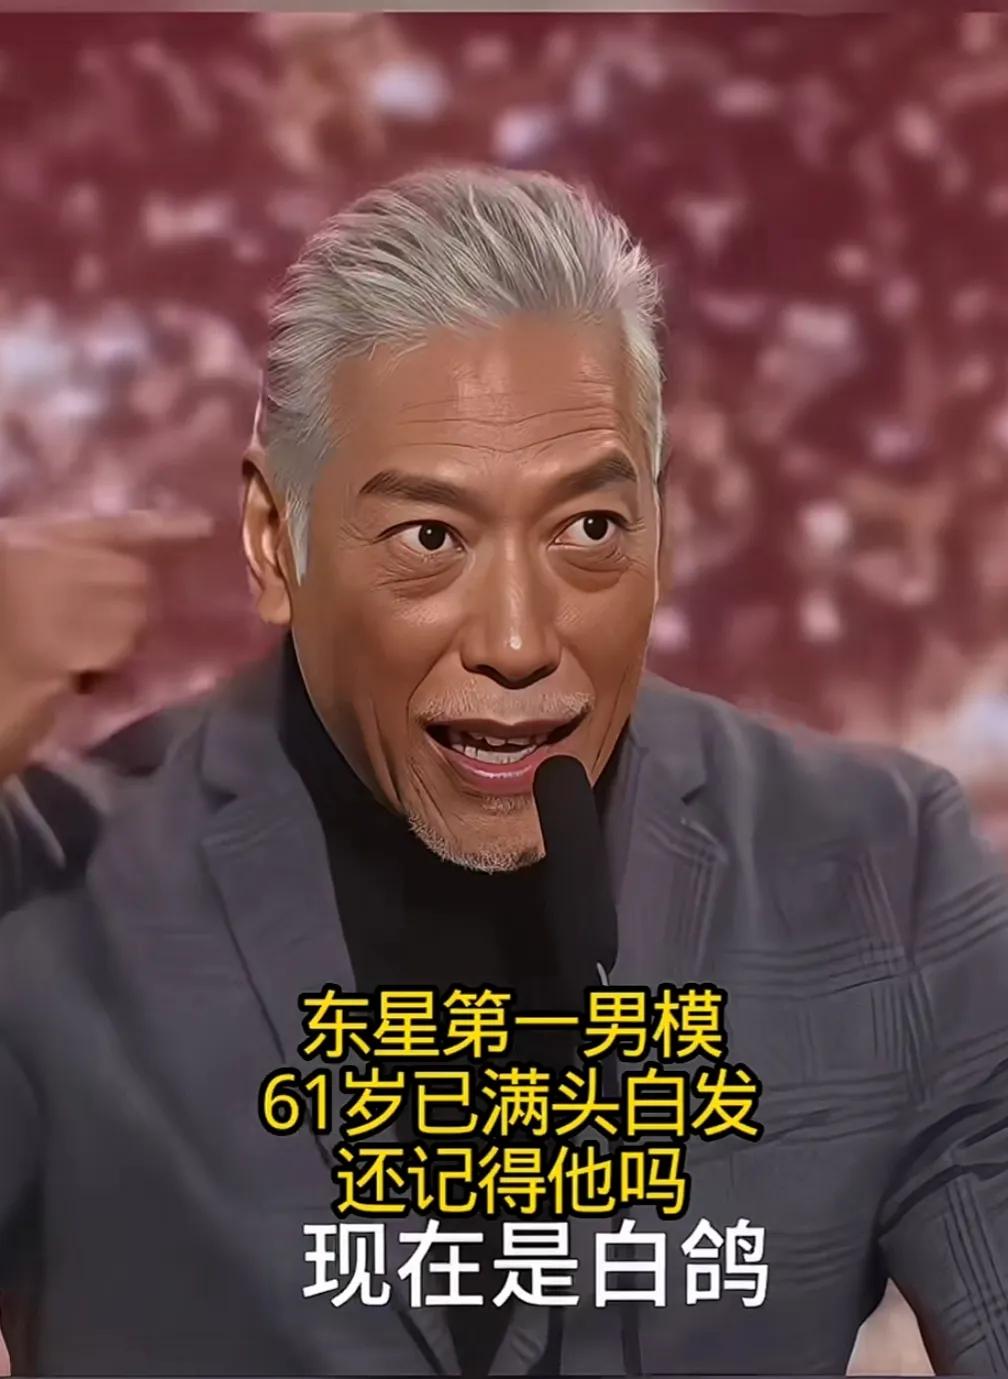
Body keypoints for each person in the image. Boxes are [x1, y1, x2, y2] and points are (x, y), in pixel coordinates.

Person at [0, 166, 1006, 1377]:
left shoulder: (879, 873)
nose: (521, 640)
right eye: (431, 538)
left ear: (661, 526)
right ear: (275, 542)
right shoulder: (53, 889)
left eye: (591, 530)